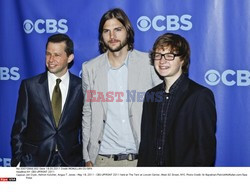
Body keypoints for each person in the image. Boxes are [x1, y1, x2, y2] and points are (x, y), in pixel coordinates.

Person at [82, 8, 161, 167]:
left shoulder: (149, 63)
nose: (112, 36)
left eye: (117, 29)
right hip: (102, 160)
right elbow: (88, 113)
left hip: (142, 160)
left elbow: (161, 110)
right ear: (101, 36)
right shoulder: (90, 68)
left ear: (128, 31)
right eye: (107, 31)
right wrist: (87, 156)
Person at [137, 33, 217, 166]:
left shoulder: (200, 96)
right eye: (158, 55)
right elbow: (145, 145)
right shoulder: (150, 95)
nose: (162, 61)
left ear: (183, 60)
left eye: (169, 55)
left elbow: (205, 152)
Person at [11, 34, 84, 167]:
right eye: (48, 54)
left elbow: (85, 128)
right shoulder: (30, 86)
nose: (51, 59)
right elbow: (19, 128)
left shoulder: (81, 87)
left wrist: (85, 160)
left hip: (71, 162)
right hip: (35, 162)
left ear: (70, 58)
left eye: (57, 55)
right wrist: (19, 160)